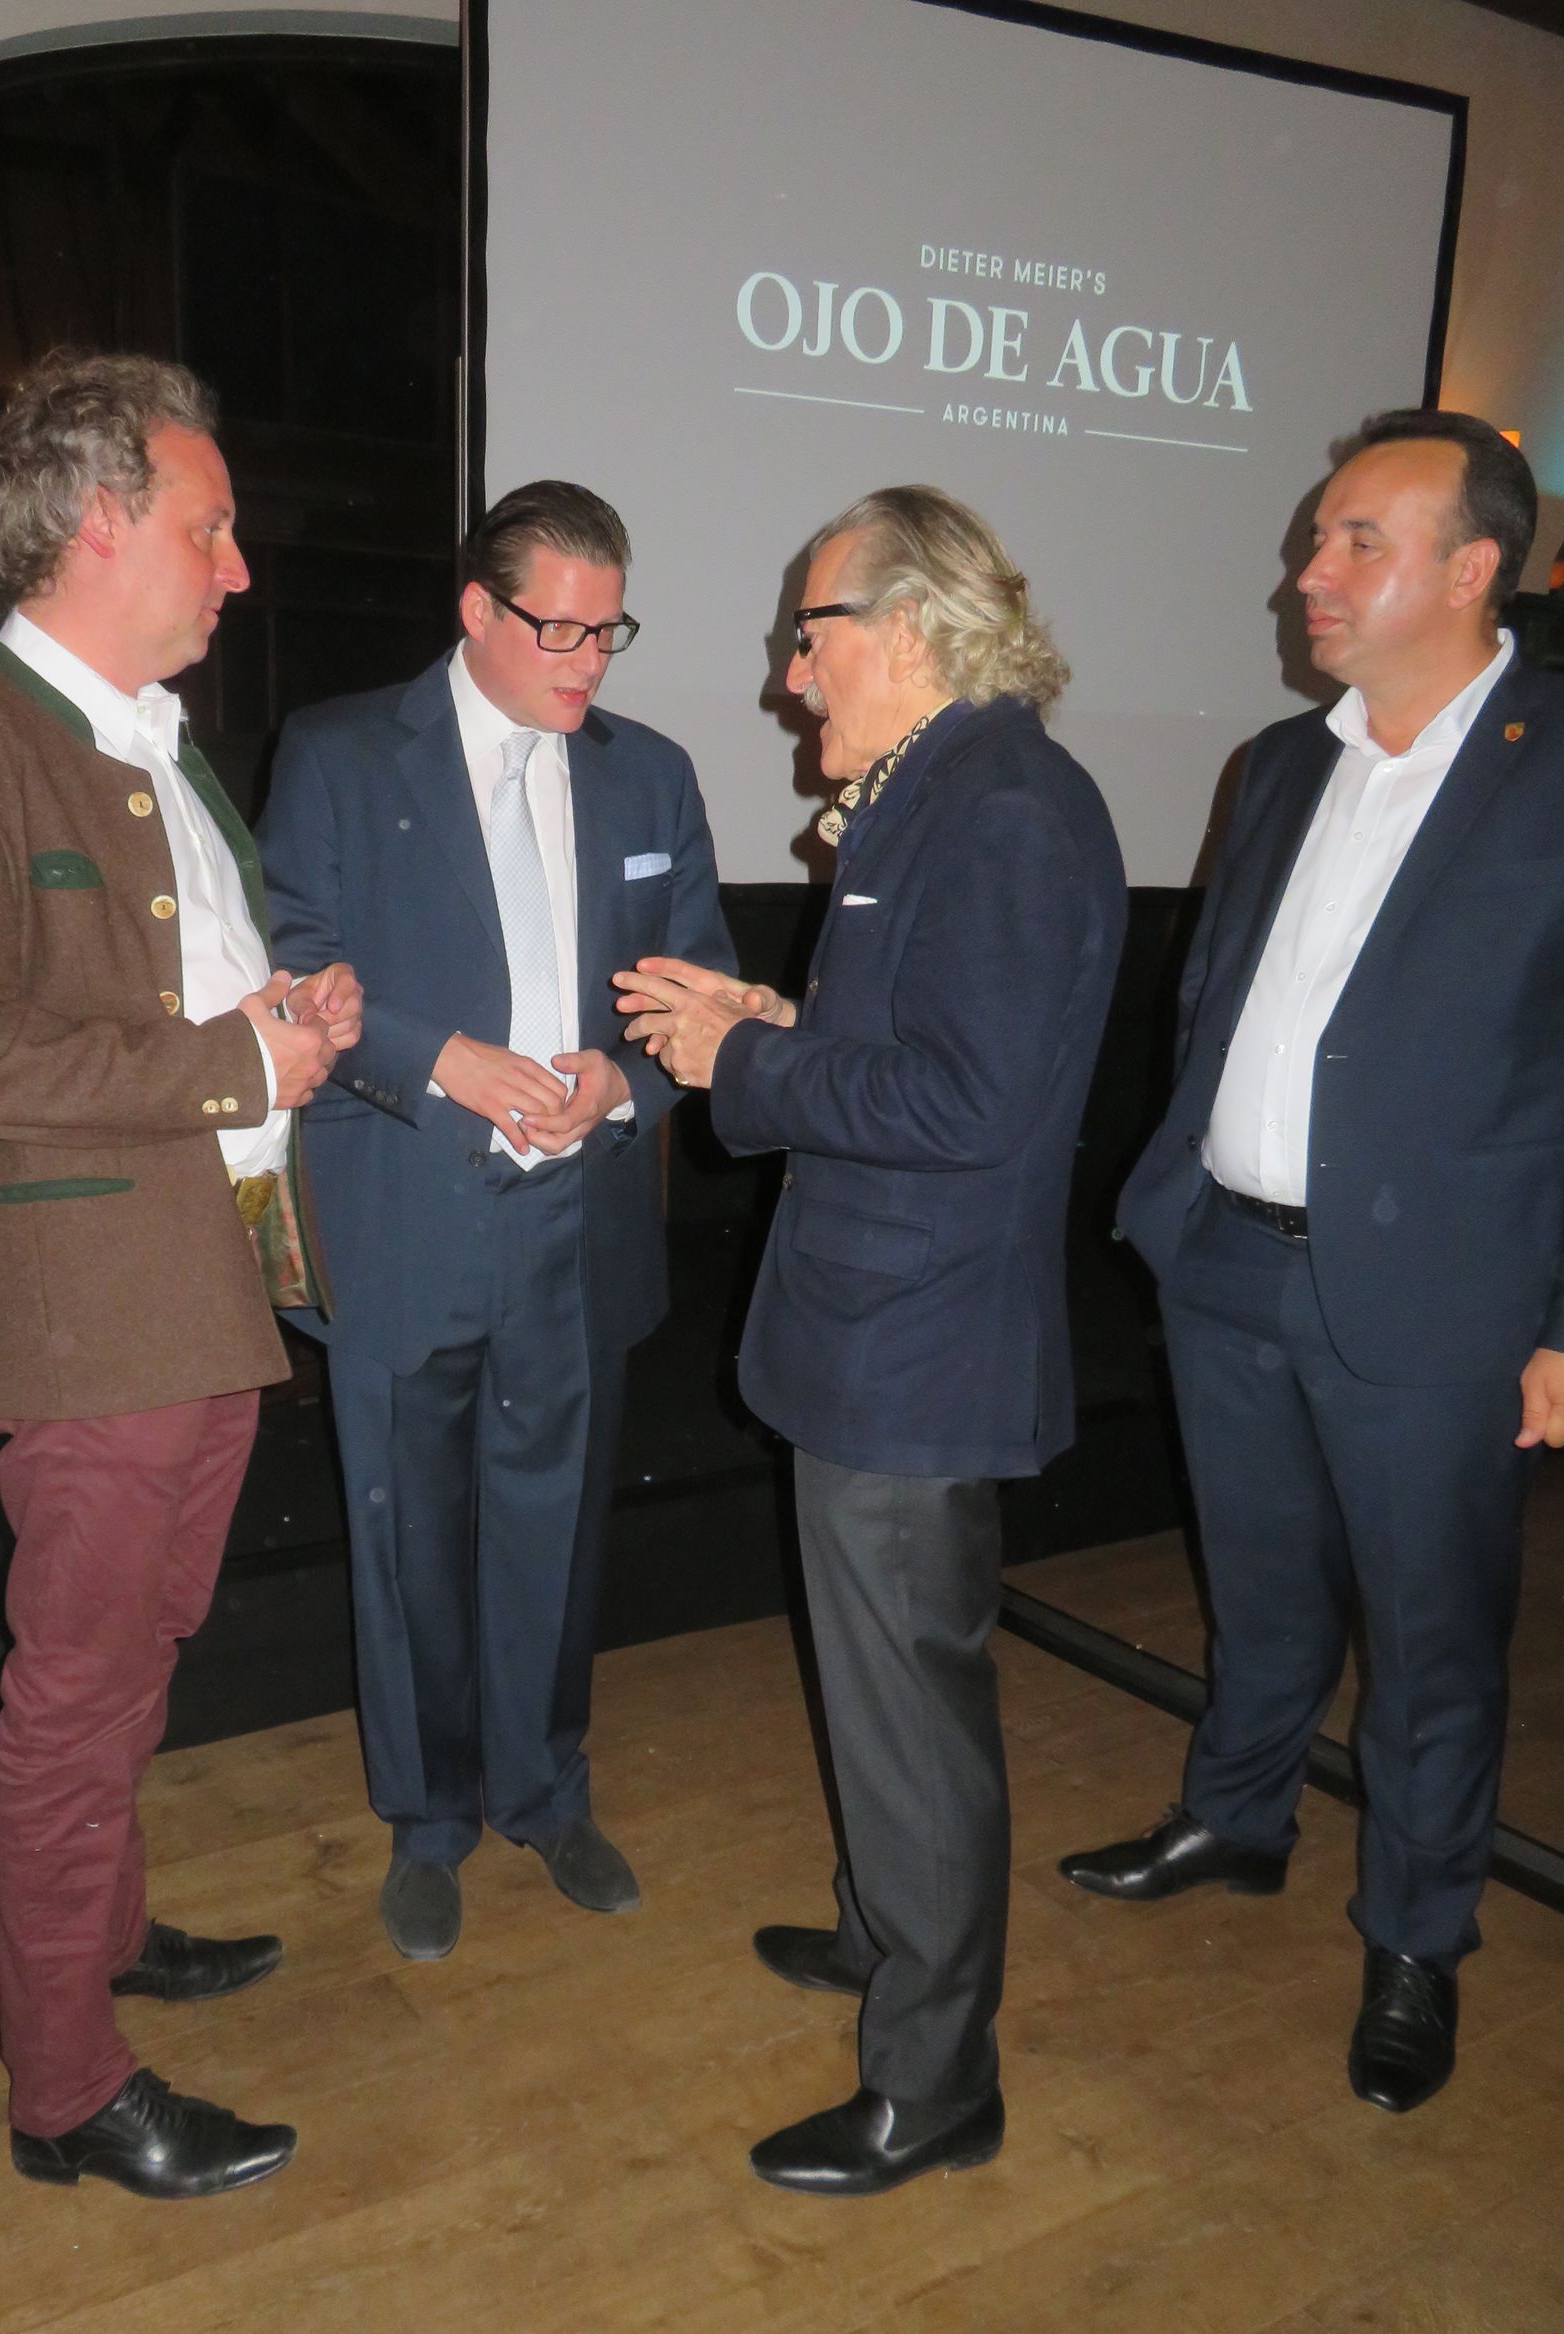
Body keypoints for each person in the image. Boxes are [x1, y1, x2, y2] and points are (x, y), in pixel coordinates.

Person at [0, 350, 361, 2198]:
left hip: (202, 1276)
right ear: (100, 523)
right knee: (75, 1694)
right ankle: (65, 2088)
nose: (237, 569)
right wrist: (230, 1062)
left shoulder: (156, 742)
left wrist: (281, 1016)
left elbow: (163, 988)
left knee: (140, 1644)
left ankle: (106, 1929)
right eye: (212, 530)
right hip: (85, 1307)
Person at [615, 485, 1126, 2196]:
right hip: (878, 1329)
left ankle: (937, 2080)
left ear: (904, 630)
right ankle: (882, 1929)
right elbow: (919, 1048)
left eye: (807, 635)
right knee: (885, 1696)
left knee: (914, 1719)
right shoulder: (941, 791)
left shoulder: (1005, 809)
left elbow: (971, 1105)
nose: (787, 674)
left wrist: (743, 1066)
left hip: (917, 1350)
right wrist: (774, 1017)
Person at [1060, 411, 1560, 2117]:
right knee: (1260, 1583)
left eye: (1356, 541)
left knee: (1430, 1644)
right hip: (1226, 1257)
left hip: (1440, 1303)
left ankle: (1417, 1937)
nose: (1308, 574)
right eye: (1315, 539)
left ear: (1475, 568)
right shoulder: (1281, 763)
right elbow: (1219, 993)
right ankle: (1239, 1812)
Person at [257, 480, 733, 1959]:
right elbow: (296, 957)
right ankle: (427, 1820)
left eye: (609, 631)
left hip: (575, 1214)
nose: (588, 662)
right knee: (407, 1537)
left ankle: (545, 1791)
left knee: (555, 1523)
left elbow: (700, 982)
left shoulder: (652, 776)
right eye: (558, 629)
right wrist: (441, 1061)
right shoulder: (341, 751)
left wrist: (623, 1078)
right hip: (405, 1199)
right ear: (477, 610)